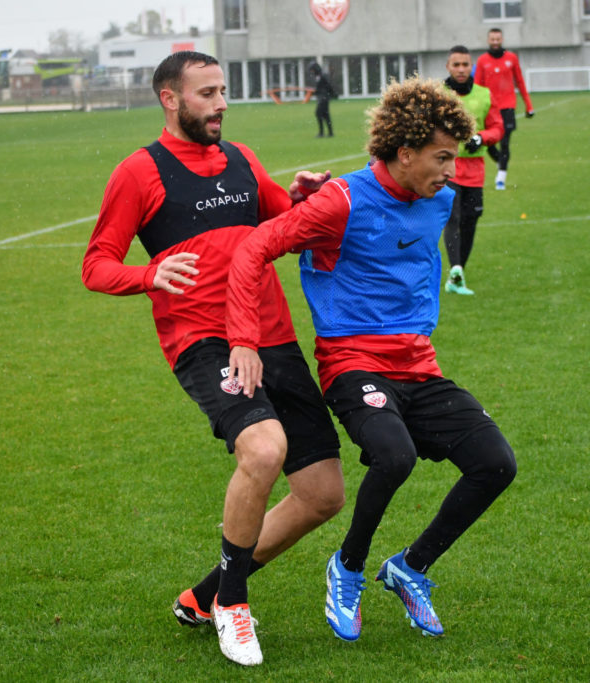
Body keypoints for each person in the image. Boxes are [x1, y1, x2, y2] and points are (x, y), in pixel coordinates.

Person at [225, 77, 517, 642]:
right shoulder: (340, 201)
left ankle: (411, 567)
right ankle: (348, 567)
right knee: (394, 455)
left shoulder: (440, 199)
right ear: (405, 152)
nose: (452, 170)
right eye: (441, 158)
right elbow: (254, 248)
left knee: (496, 464)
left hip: (419, 364)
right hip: (352, 362)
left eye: (455, 157)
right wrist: (243, 337)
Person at [81, 51, 344, 667]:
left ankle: (204, 596)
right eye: (207, 94)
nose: (221, 103)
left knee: (322, 494)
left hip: (271, 333)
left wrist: (304, 197)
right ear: (170, 99)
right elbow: (96, 264)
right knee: (264, 450)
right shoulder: (140, 172)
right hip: (203, 338)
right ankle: (233, 602)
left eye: (223, 91)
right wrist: (147, 274)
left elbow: (286, 221)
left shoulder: (243, 159)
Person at [442, 45, 503, 296]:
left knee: (470, 220)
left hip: (475, 170)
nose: (460, 69)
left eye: (465, 64)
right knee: (452, 217)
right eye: (456, 64)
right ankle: (455, 268)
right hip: (447, 167)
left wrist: (482, 138)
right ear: (448, 66)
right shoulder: (439, 95)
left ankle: (457, 275)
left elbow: (497, 127)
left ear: (471, 67)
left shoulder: (484, 95)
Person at [474, 27, 534, 190]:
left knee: (505, 142)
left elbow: (520, 82)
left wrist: (528, 105)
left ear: (502, 40)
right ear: (488, 40)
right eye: (492, 39)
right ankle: (502, 162)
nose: (495, 42)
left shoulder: (511, 58)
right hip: (489, 108)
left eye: (498, 39)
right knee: (488, 143)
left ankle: (501, 178)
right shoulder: (482, 60)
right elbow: (477, 86)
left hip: (508, 107)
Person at [309, 62, 336, 137]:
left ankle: (322, 133)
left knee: (318, 113)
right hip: (323, 97)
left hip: (323, 98)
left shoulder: (321, 76)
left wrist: (332, 93)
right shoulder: (319, 76)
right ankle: (330, 133)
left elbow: (327, 86)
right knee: (325, 115)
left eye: (312, 70)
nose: (312, 72)